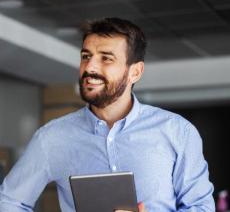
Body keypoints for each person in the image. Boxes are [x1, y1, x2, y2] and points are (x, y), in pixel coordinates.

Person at [0, 17, 215, 212]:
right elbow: (9, 202)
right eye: (86, 56)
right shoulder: (51, 137)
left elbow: (201, 207)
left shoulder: (178, 132)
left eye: (106, 58)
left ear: (135, 72)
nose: (90, 67)